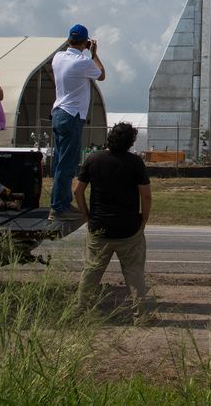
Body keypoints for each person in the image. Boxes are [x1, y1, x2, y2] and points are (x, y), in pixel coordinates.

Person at [75, 122, 151, 317]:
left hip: (99, 226)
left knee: (91, 272)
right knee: (134, 274)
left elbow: (78, 190)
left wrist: (86, 215)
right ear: (130, 142)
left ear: (109, 137)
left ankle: (80, 311)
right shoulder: (135, 162)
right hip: (128, 229)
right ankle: (140, 314)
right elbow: (146, 195)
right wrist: (143, 221)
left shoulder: (93, 159)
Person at [49, 23, 105, 222]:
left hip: (58, 112)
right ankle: (59, 208)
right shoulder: (83, 62)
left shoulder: (58, 58)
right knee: (68, 164)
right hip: (72, 115)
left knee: (59, 163)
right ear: (85, 42)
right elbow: (102, 74)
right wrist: (94, 53)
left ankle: (59, 203)